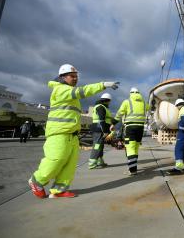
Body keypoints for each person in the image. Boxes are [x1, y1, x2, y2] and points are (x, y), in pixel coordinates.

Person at [28, 64, 119, 199]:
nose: (75, 79)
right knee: (56, 159)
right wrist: (103, 85)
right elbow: (82, 91)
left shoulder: (71, 95)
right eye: (72, 76)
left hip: (72, 135)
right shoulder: (60, 90)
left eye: (76, 76)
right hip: (59, 134)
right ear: (62, 77)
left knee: (70, 164)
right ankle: (36, 181)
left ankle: (59, 190)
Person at [114, 87, 148, 176]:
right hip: (140, 128)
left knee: (130, 149)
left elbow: (120, 113)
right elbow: (150, 108)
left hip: (130, 128)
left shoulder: (127, 102)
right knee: (136, 148)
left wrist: (113, 123)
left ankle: (132, 170)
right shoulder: (144, 103)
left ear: (130, 93)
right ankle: (134, 167)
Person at [88, 93, 118, 169]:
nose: (109, 103)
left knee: (100, 145)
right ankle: (92, 163)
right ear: (107, 101)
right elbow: (101, 120)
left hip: (99, 129)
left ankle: (100, 161)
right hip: (99, 129)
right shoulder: (101, 107)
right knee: (97, 146)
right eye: (109, 101)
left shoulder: (102, 107)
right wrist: (105, 131)